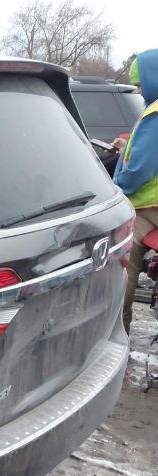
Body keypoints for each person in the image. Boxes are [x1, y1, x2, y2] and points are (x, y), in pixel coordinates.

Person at [114, 50, 158, 333]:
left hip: (147, 207)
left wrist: (118, 189)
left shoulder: (155, 114)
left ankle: (119, 330)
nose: (138, 90)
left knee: (120, 263)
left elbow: (141, 168)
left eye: (140, 83)